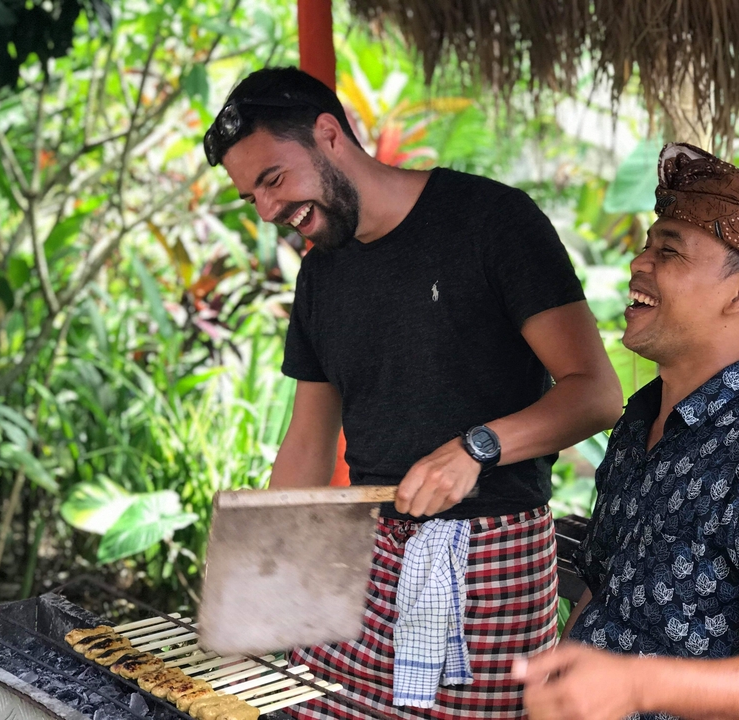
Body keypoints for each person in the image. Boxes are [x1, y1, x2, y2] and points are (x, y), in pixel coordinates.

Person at [203, 66, 623, 720]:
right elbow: (308, 442)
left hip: (491, 567)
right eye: (250, 196)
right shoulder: (321, 276)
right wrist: (264, 577)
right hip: (361, 560)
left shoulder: (492, 221)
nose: (266, 211)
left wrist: (477, 448)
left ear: (328, 134)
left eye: (273, 179)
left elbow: (595, 393)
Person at [513, 142, 739, 720]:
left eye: (668, 250)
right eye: (647, 245)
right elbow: (604, 589)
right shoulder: (640, 421)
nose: (638, 263)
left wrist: (638, 686)